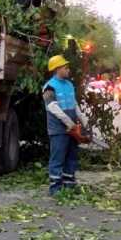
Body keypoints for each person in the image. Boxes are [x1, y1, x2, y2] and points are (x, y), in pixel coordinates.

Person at [43, 54, 86, 195]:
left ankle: (69, 186)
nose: (68, 70)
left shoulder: (69, 85)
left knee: (71, 156)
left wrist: (83, 121)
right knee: (58, 157)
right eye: (65, 67)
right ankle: (55, 188)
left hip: (71, 127)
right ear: (57, 69)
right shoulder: (49, 87)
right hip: (58, 129)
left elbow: (74, 104)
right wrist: (70, 123)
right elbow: (53, 108)